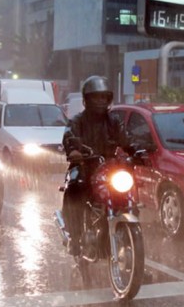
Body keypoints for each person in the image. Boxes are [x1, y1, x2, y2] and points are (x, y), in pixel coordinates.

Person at [61, 75, 134, 256]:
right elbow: (69, 137)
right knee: (75, 187)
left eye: (103, 97)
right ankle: (75, 237)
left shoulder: (114, 121)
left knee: (127, 193)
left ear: (108, 98)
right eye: (96, 97)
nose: (100, 101)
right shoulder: (77, 121)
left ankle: (132, 244)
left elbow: (126, 139)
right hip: (85, 165)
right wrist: (74, 150)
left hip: (109, 167)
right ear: (87, 99)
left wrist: (137, 150)